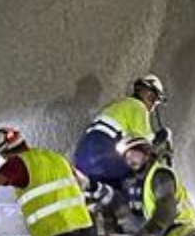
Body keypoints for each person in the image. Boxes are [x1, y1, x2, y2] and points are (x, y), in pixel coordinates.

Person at [72, 75, 169, 216]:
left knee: (97, 193)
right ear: (149, 95)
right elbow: (145, 144)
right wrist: (161, 137)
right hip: (104, 150)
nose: (153, 107)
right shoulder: (138, 107)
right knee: (135, 178)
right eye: (154, 101)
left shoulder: (118, 106)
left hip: (83, 154)